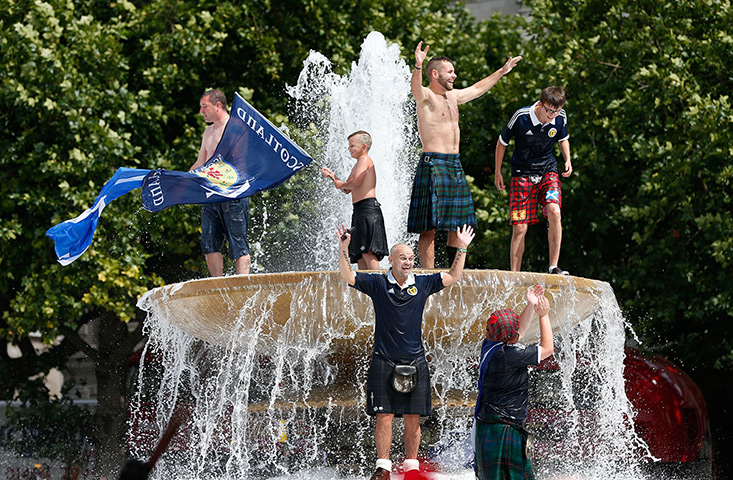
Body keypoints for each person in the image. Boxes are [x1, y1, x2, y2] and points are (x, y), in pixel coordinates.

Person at [336, 224, 475, 480]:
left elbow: (454, 276)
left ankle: (411, 467)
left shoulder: (423, 283)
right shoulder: (377, 282)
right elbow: (349, 277)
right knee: (384, 415)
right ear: (391, 260)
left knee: (413, 417)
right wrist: (344, 250)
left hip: (415, 359)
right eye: (403, 258)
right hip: (383, 359)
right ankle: (383, 468)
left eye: (411, 258)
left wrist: (462, 248)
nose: (409, 262)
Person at [408, 41, 522, 268]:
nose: (454, 75)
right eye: (450, 72)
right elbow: (416, 89)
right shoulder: (427, 97)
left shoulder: (454, 97)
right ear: (434, 73)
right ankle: (428, 277)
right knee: (429, 228)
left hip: (453, 165)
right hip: (434, 164)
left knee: (458, 225)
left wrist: (501, 72)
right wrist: (418, 66)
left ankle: (453, 274)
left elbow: (478, 89)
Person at [474, 285, 553, 480]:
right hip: (505, 428)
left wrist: (530, 305)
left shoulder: (490, 346)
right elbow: (548, 348)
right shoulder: (511, 355)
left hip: (490, 423)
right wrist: (543, 315)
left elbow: (520, 332)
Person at [494, 86, 573, 275]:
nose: (552, 115)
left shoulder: (560, 117)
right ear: (540, 104)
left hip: (548, 171)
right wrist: (498, 171)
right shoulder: (522, 116)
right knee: (520, 226)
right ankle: (515, 274)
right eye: (549, 111)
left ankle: (553, 266)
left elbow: (563, 139)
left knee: (554, 210)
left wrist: (567, 159)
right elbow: (501, 142)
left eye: (557, 111)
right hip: (522, 173)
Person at [189, 89, 251, 276]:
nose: (201, 111)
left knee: (238, 245)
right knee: (209, 243)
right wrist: (179, 179)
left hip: (234, 194)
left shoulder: (236, 128)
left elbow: (242, 162)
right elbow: (201, 163)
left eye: (204, 106)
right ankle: (218, 287)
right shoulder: (208, 132)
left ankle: (242, 289)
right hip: (211, 194)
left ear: (218, 105)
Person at [321, 131, 389, 270]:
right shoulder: (358, 163)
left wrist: (340, 183)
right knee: (360, 254)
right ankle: (367, 289)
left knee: (369, 252)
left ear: (363, 146)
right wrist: (333, 177)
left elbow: (355, 183)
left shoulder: (365, 160)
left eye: (352, 145)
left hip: (368, 209)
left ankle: (378, 287)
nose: (349, 149)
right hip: (360, 210)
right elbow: (347, 189)